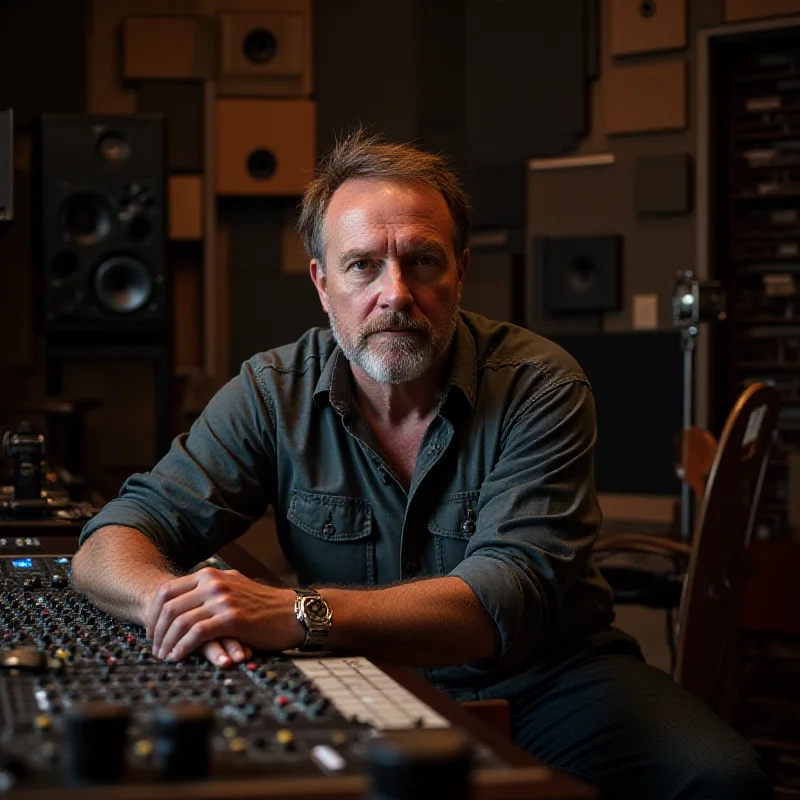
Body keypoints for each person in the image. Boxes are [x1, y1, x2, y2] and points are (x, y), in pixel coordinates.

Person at [72, 131, 772, 799]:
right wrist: (170, 603)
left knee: (720, 779)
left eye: (424, 261)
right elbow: (115, 536)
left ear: (461, 271)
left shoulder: (540, 383)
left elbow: (502, 598)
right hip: (356, 676)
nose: (396, 292)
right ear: (323, 283)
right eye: (363, 265)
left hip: (546, 681)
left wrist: (294, 612)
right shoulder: (270, 391)